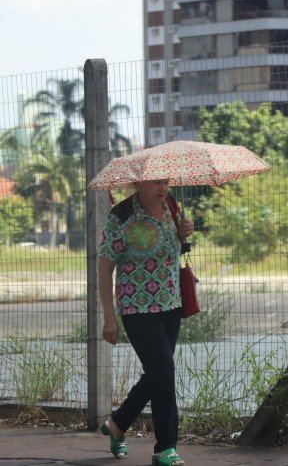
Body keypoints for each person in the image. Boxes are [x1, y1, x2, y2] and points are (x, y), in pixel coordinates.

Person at [97, 179, 194, 466]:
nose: (163, 187)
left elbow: (174, 250)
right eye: (156, 182)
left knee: (157, 373)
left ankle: (117, 423)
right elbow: (104, 268)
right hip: (136, 307)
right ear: (139, 182)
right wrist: (109, 318)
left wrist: (182, 232)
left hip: (170, 304)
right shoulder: (122, 215)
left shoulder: (171, 206)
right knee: (164, 371)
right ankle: (165, 447)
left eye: (166, 181)